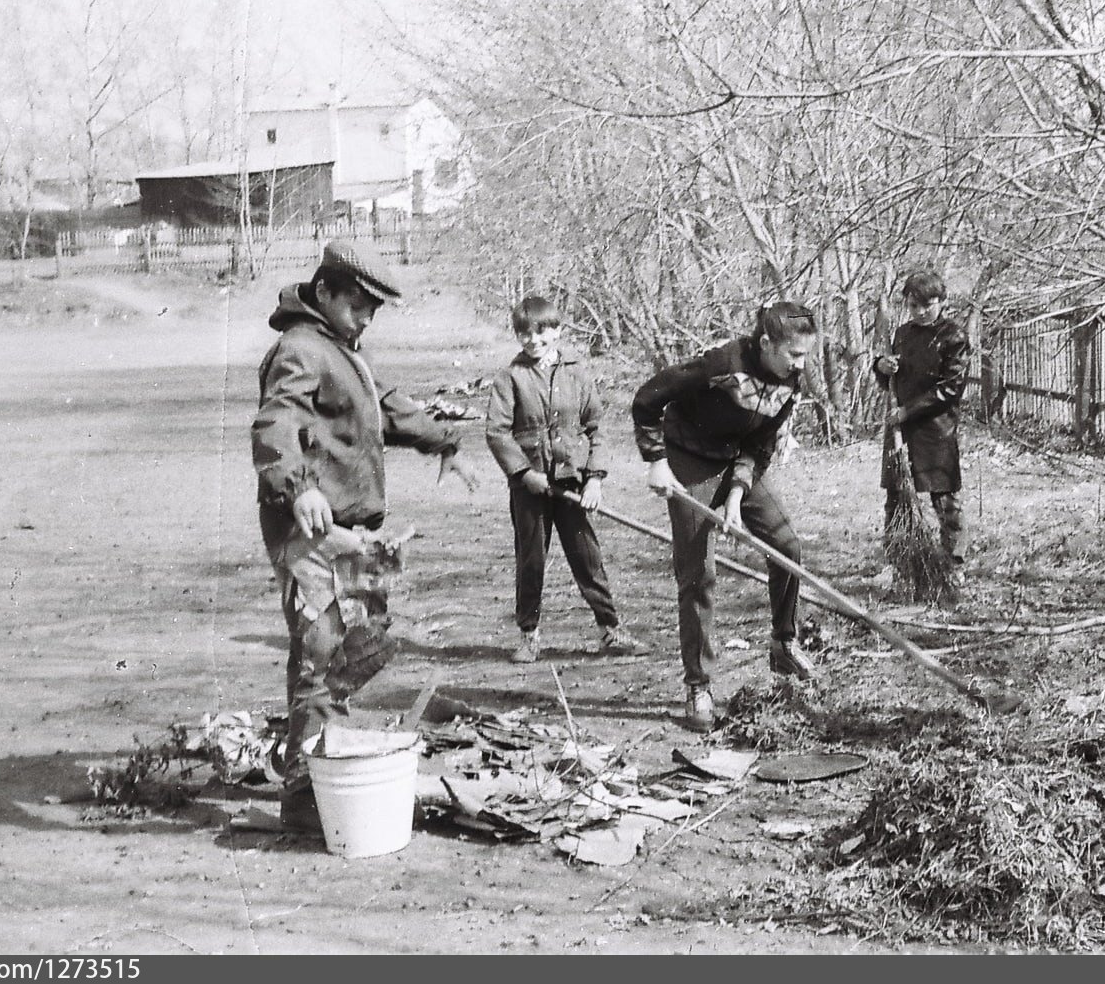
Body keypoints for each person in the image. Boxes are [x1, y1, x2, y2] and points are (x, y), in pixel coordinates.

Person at [252, 240, 480, 832]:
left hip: (356, 536)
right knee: (323, 652)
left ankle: (313, 749)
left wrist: (444, 443)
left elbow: (388, 410)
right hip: (313, 533)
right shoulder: (300, 350)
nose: (366, 318)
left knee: (366, 643)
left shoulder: (342, 350)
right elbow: (277, 421)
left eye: (372, 310)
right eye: (358, 306)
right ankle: (306, 796)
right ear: (324, 292)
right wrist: (298, 487)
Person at [631, 301, 820, 732]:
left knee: (786, 545)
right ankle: (698, 685)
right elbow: (647, 400)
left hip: (736, 461)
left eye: (806, 354)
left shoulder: (793, 379)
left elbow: (762, 444)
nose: (801, 364)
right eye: (794, 354)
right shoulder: (719, 364)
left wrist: (736, 493)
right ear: (767, 343)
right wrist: (656, 460)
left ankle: (782, 643)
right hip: (689, 461)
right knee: (699, 573)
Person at [485, 295, 637, 663]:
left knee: (587, 557)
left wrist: (595, 480)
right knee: (532, 559)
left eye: (542, 331)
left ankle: (611, 630)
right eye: (524, 333)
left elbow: (596, 427)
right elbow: (497, 433)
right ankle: (528, 635)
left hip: (572, 485)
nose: (533, 340)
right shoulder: (511, 378)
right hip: (531, 489)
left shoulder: (577, 373)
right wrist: (524, 473)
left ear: (558, 331)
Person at [874, 268, 971, 566]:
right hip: (900, 430)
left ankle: (952, 563)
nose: (920, 312)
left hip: (935, 430)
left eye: (927, 304)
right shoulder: (902, 334)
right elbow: (890, 381)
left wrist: (908, 411)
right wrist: (882, 367)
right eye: (913, 305)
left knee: (944, 499)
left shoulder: (953, 336)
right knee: (897, 496)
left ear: (941, 300)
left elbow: (951, 388)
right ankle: (898, 560)